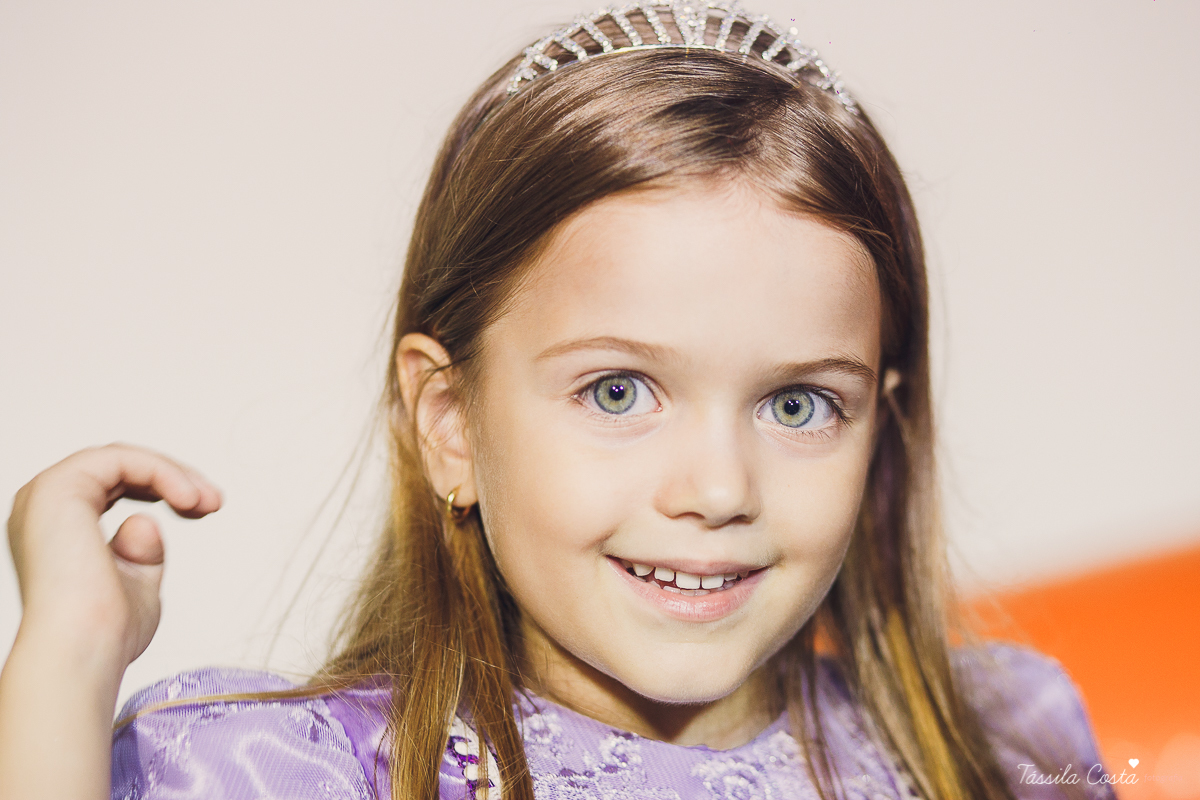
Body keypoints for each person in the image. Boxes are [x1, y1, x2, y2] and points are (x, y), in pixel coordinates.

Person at [0, 3, 1115, 799]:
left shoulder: (994, 745)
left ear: (882, 421)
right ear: (450, 423)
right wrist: (64, 659)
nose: (720, 488)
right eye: (619, 389)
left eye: (796, 406)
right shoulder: (296, 770)